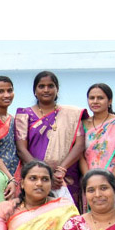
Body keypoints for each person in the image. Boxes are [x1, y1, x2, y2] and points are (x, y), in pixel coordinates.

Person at [16, 72, 85, 208]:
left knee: (67, 216)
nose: (46, 90)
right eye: (41, 86)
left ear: (57, 89)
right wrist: (42, 173)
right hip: (35, 177)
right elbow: (21, 149)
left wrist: (61, 171)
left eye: (50, 86)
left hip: (65, 177)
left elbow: (80, 144)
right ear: (35, 91)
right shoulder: (24, 114)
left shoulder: (71, 114)